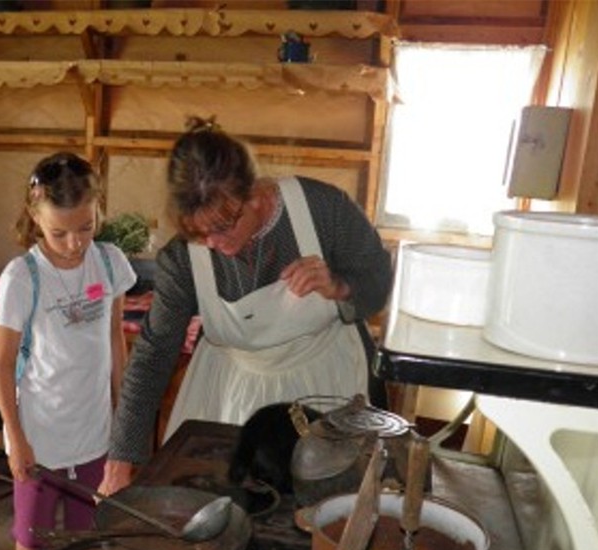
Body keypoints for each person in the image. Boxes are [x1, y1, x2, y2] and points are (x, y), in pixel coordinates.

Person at [100, 117, 392, 495]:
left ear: (256, 194)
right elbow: (154, 353)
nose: (212, 243)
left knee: (324, 501)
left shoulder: (322, 210)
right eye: (198, 231)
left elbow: (379, 280)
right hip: (229, 391)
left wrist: (341, 285)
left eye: (224, 225)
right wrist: (120, 458)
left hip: (325, 384)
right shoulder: (183, 259)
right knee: (222, 501)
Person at [0, 153, 137, 550]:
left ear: (98, 212)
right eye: (59, 232)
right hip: (40, 434)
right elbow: (0, 363)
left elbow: (115, 340)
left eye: (86, 228)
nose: (75, 243)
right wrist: (16, 437)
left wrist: (122, 424)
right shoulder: (23, 277)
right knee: (34, 541)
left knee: (86, 539)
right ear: (35, 218)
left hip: (93, 431)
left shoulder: (109, 262)